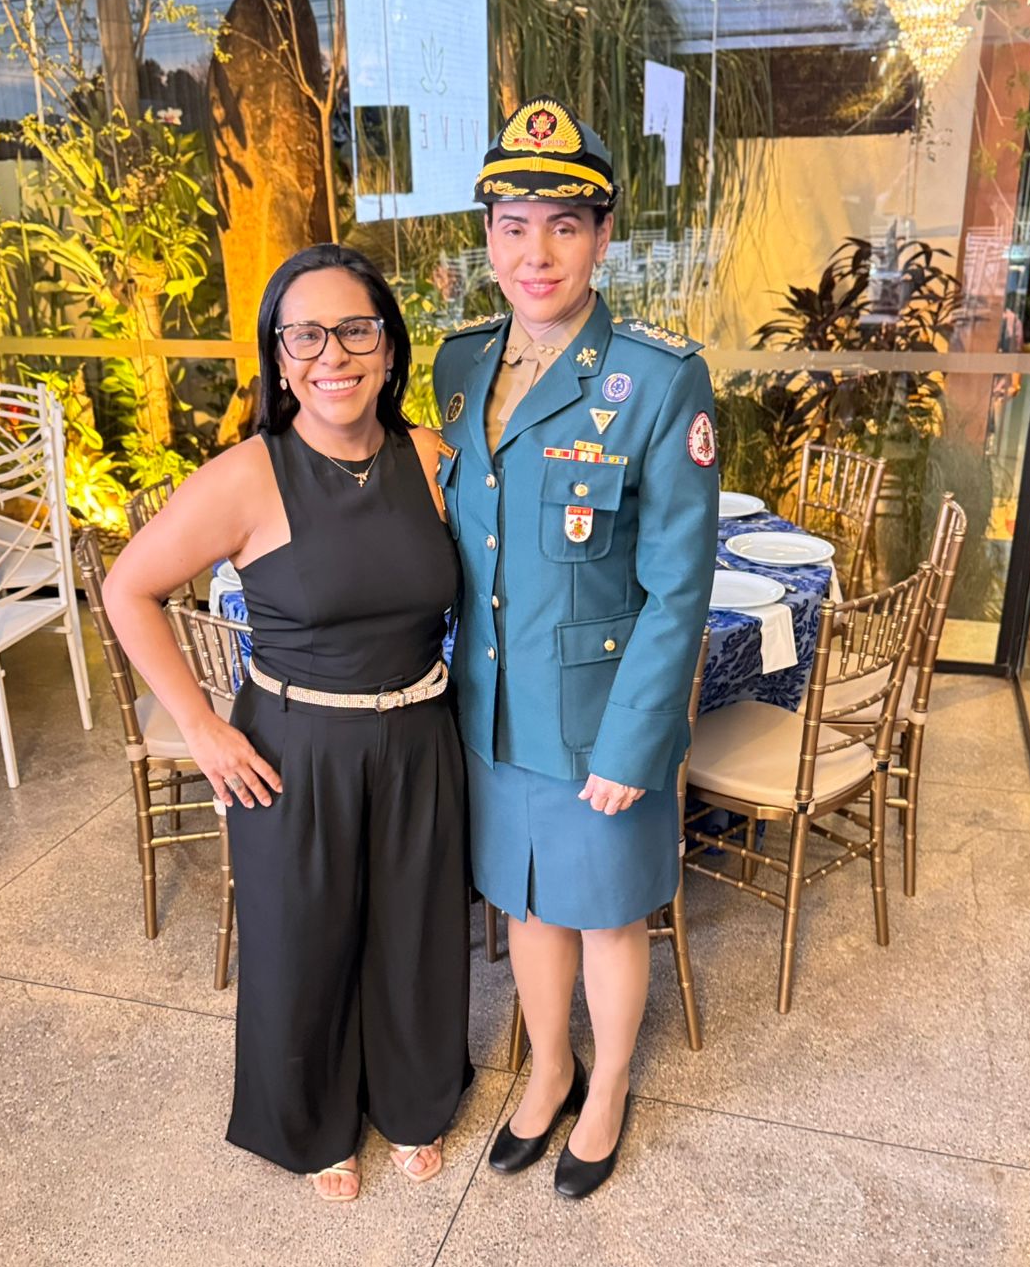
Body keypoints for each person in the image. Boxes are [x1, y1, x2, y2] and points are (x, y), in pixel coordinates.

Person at [105, 243, 471, 1203]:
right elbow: (128, 589)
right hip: (294, 744)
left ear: (389, 346)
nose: (331, 355)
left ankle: (414, 1098)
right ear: (278, 355)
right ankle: (312, 1122)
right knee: (301, 940)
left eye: (355, 330)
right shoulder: (246, 477)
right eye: (304, 335)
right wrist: (199, 726)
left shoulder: (432, 457)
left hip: (420, 734)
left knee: (415, 931)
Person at [432, 97, 718, 1199]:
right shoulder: (461, 367)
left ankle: (609, 1089)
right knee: (527, 902)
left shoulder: (656, 380)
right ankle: (550, 1068)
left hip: (601, 722)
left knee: (605, 914)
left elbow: (678, 584)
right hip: (495, 711)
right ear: (488, 236)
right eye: (513, 226)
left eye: (563, 226)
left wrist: (636, 740)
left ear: (602, 237)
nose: (536, 253)